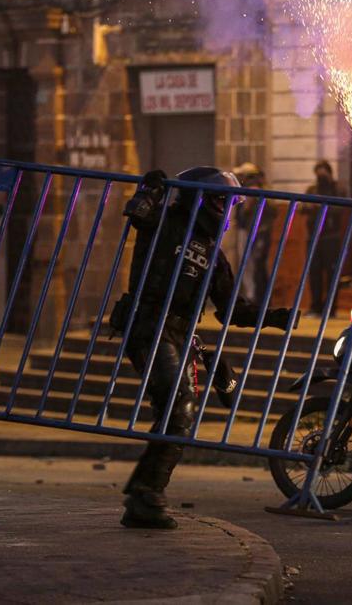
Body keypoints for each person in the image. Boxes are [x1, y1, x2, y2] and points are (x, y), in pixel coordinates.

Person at [110, 167, 294, 529]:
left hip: (179, 333)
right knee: (179, 406)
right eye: (223, 202)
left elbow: (233, 310)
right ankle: (147, 494)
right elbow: (137, 213)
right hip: (148, 326)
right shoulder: (165, 222)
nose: (227, 212)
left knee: (178, 413)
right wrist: (152, 187)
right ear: (204, 200)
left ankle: (144, 494)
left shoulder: (214, 253)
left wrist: (276, 317)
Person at [233, 163, 278, 303]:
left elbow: (270, 211)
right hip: (249, 229)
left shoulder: (257, 190)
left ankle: (257, 297)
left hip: (257, 231)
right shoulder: (247, 190)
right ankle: (254, 296)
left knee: (256, 265)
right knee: (249, 264)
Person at [304, 161, 343, 317]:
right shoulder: (312, 190)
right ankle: (316, 306)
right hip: (314, 238)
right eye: (318, 173)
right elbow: (302, 207)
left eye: (323, 173)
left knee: (332, 274)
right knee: (314, 273)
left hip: (331, 238)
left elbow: (342, 207)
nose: (320, 176)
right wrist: (311, 206)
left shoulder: (337, 189)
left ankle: (330, 308)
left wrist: (325, 207)